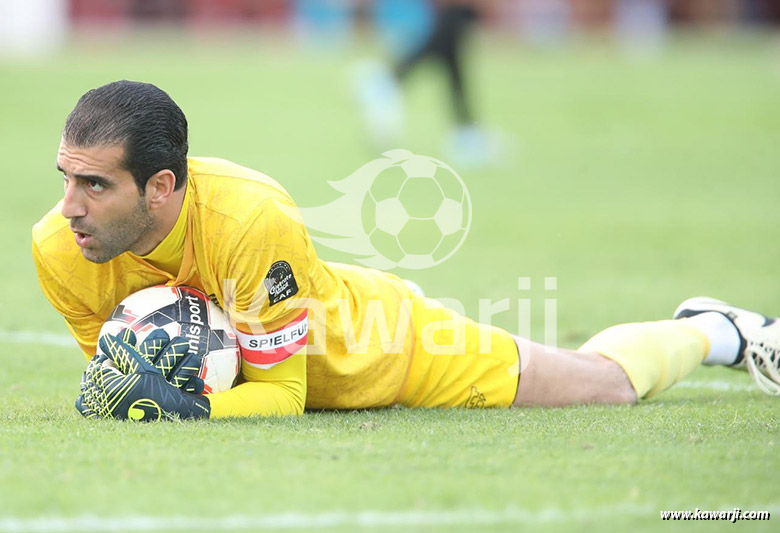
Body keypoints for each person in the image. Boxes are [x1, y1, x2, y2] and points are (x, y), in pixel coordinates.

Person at [33, 81, 779, 422]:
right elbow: (127, 370)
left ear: (160, 186)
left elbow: (284, 395)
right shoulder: (61, 247)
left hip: (388, 347)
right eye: (66, 178)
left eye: (95, 184)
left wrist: (189, 410)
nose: (70, 207)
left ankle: (715, 329)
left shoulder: (250, 219)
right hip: (279, 372)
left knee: (604, 386)